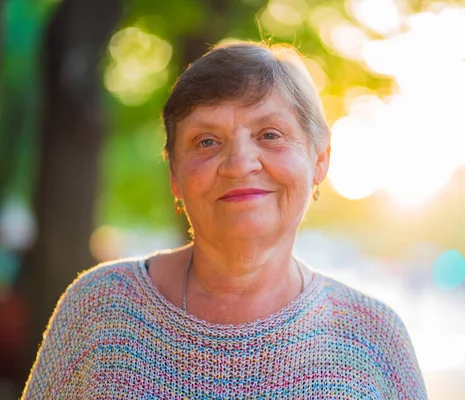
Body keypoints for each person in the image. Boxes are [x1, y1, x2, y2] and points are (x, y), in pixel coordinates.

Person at [22, 42, 427, 399]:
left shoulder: (375, 338)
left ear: (319, 162)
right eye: (207, 141)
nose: (239, 164)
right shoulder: (99, 307)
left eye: (269, 134)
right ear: (176, 177)